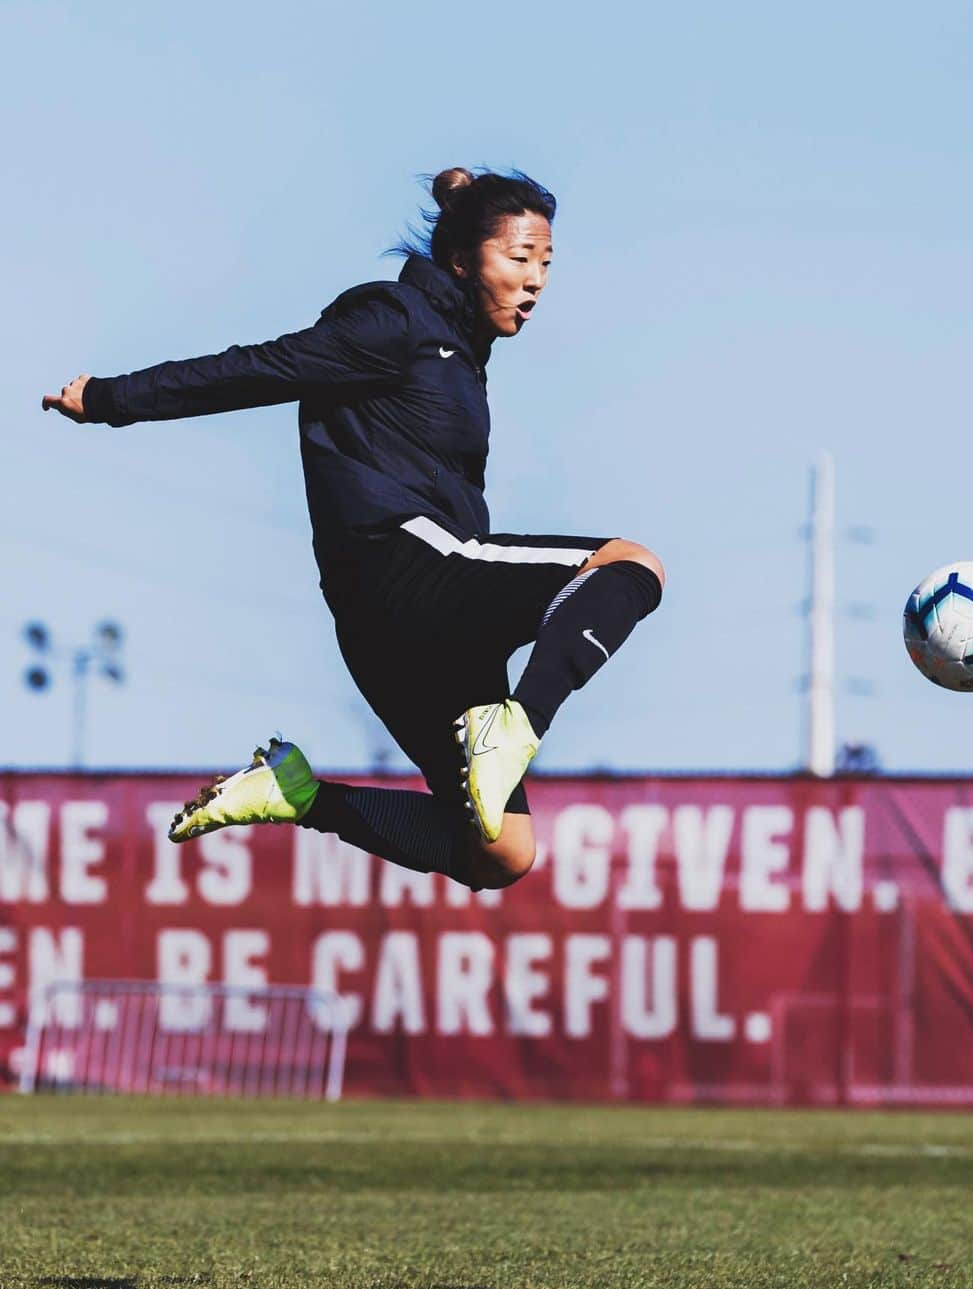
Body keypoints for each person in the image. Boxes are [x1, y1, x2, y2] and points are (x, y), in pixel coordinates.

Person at [42, 167, 664, 891]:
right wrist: (112, 398)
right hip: (409, 566)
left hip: (393, 633)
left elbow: (458, 229)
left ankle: (301, 794)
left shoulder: (456, 345)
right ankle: (519, 724)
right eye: (520, 258)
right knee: (628, 565)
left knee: (501, 854)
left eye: (546, 264)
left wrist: (456, 191)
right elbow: (255, 369)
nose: (536, 282)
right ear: (463, 262)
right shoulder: (392, 321)